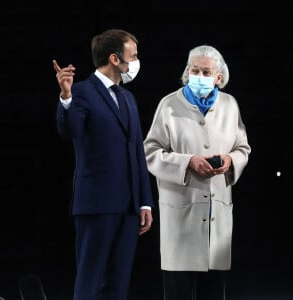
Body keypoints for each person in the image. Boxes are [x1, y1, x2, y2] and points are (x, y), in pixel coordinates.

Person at [143, 45, 251, 300]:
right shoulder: (169, 104)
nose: (199, 76)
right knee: (178, 291)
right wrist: (187, 161)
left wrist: (229, 159)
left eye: (206, 72)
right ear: (187, 72)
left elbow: (243, 148)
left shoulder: (229, 105)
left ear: (219, 78)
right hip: (181, 218)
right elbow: (150, 151)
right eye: (195, 70)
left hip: (217, 218)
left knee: (213, 291)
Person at [53, 29, 153, 300]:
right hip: (96, 204)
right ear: (115, 58)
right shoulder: (82, 92)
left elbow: (137, 152)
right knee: (91, 279)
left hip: (129, 207)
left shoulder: (128, 98)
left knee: (118, 284)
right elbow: (70, 131)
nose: (136, 60)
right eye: (132, 56)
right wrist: (66, 97)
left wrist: (144, 202)